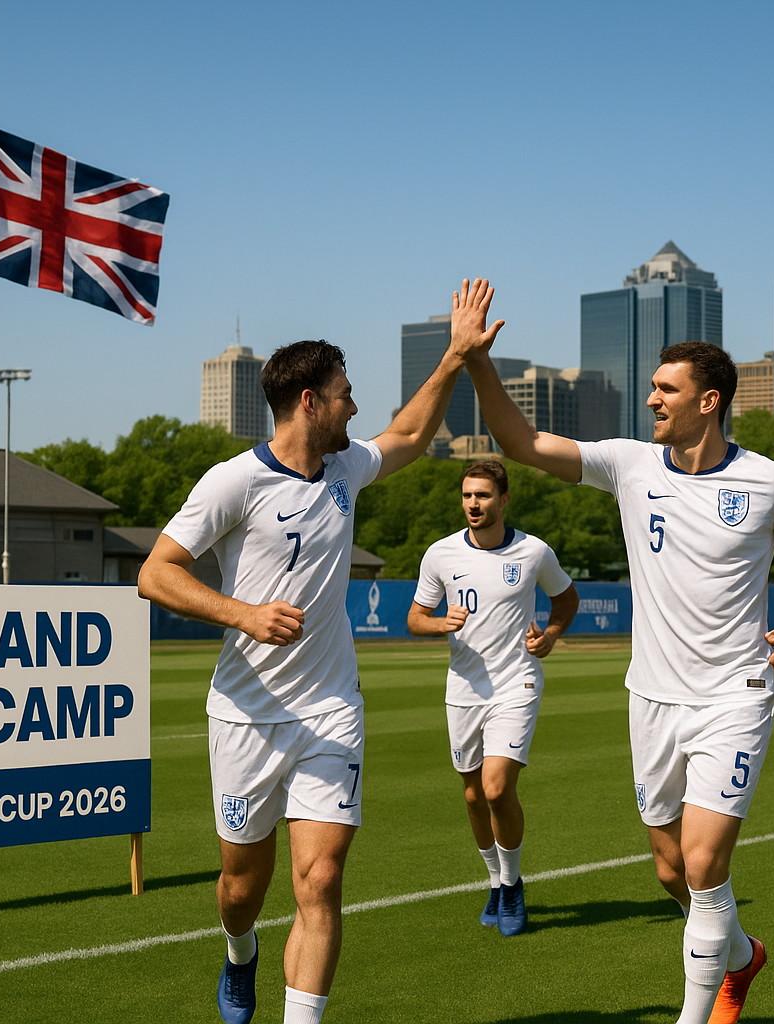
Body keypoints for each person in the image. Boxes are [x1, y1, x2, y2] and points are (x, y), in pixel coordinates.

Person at [137, 280, 503, 1024]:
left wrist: (456, 357)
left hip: (330, 711)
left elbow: (406, 435)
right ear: (309, 401)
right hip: (245, 716)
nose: (354, 407)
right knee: (242, 889)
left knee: (322, 880)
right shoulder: (233, 481)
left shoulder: (345, 470)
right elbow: (155, 573)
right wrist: (242, 613)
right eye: (344, 394)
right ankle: (240, 954)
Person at [464, 335, 774, 1024]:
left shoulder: (773, 481)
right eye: (652, 387)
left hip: (736, 696)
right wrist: (476, 359)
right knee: (672, 872)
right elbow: (519, 442)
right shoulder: (628, 464)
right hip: (652, 699)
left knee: (702, 863)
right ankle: (740, 956)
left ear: (709, 400)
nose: (650, 399)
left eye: (665, 389)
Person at [407, 459, 579, 937]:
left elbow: (566, 599)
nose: (473, 504)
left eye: (482, 496)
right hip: (464, 689)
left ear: (503, 500)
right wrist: (440, 623)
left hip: (516, 684)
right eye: (467, 496)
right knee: (471, 795)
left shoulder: (534, 552)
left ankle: (514, 883)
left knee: (497, 788)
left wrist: (551, 635)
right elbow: (415, 618)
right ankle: (496, 883)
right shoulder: (440, 554)